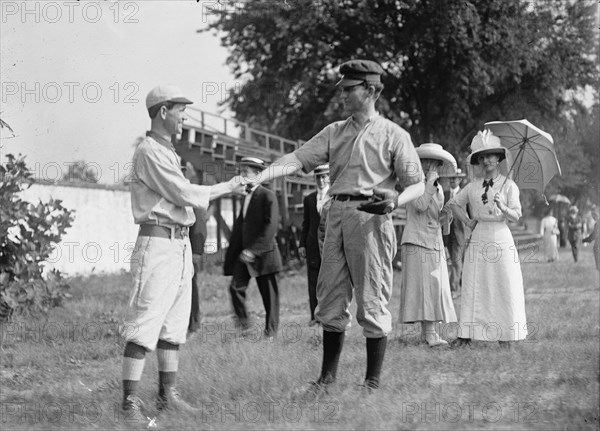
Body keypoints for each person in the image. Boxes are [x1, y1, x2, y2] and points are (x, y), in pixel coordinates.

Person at [251, 59, 425, 394]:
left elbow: (416, 184)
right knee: (329, 298)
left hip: (372, 217)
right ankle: (326, 379)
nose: (342, 95)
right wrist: (260, 176)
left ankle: (372, 383)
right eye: (342, 89)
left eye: (349, 89)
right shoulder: (334, 131)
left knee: (372, 298)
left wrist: (395, 200)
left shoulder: (394, 134)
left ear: (371, 90)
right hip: (336, 215)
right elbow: (297, 159)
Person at [121, 85, 245, 422]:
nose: (184, 118)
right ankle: (130, 402)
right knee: (145, 322)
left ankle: (168, 395)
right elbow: (183, 192)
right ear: (163, 112)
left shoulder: (168, 151)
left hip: (178, 244)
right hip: (157, 243)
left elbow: (185, 196)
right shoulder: (149, 150)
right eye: (180, 111)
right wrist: (229, 186)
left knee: (174, 325)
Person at [446, 130, 527, 347]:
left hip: (501, 237)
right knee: (474, 283)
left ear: (499, 158)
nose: (487, 161)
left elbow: (517, 215)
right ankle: (466, 335)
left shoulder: (509, 186)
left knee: (503, 283)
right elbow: (453, 204)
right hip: (479, 236)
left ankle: (506, 336)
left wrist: (503, 206)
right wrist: (468, 221)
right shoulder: (473, 186)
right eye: (482, 157)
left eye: (491, 155)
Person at [399, 144, 457, 347]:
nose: (431, 166)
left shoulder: (438, 187)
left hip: (433, 241)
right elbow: (420, 206)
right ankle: (430, 334)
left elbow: (433, 215)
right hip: (416, 240)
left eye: (435, 163)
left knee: (434, 286)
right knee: (424, 287)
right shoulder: (413, 183)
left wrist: (445, 216)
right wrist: (430, 186)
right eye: (427, 162)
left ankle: (428, 333)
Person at [223, 157, 283, 339]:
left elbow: (271, 227)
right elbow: (240, 228)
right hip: (245, 256)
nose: (242, 175)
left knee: (270, 298)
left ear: (257, 174)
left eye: (245, 172)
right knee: (235, 288)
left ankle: (270, 334)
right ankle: (245, 328)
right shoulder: (245, 196)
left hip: (265, 255)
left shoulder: (267, 195)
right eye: (240, 171)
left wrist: (254, 251)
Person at [299, 164, 331, 326]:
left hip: (330, 245)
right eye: (318, 177)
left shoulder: (335, 197)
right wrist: (302, 244)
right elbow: (306, 223)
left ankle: (330, 315)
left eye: (324, 176)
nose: (321, 180)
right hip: (312, 246)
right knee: (313, 281)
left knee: (331, 282)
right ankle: (314, 316)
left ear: (329, 177)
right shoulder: (309, 199)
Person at [443, 168, 468, 297]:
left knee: (457, 261)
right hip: (445, 234)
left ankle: (454, 289)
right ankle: (449, 287)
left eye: (455, 178)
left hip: (460, 233)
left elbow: (470, 214)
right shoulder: (444, 194)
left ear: (460, 179)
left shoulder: (464, 195)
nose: (452, 181)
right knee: (446, 261)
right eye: (450, 178)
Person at [582, 206, 600, 270]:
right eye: (592, 215)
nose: (593, 217)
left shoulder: (598, 223)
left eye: (594, 215)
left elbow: (593, 236)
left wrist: (583, 240)